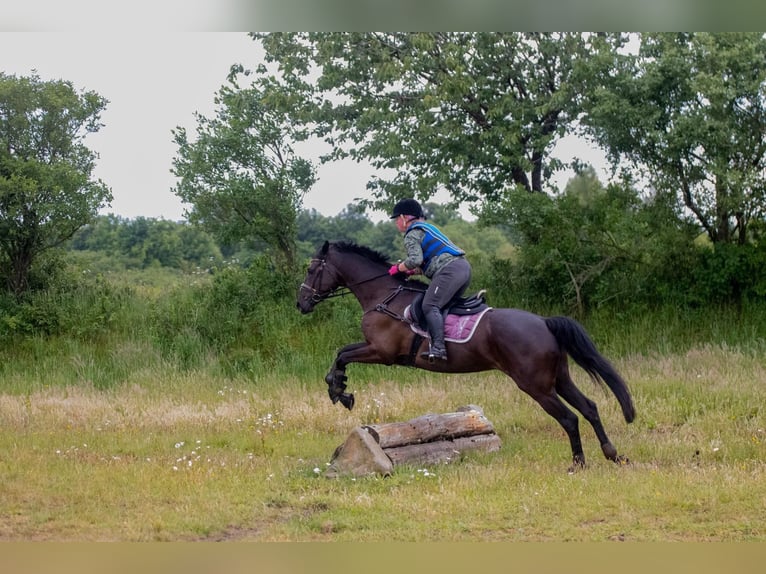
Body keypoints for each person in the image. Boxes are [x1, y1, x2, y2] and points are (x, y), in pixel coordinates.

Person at [388, 198, 472, 362]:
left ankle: (439, 348)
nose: (396, 223)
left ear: (405, 217)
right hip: (463, 268)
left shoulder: (412, 233)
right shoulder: (427, 228)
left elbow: (415, 259)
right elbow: (428, 262)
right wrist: (412, 271)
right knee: (442, 306)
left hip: (450, 271)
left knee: (430, 305)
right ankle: (454, 343)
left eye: (397, 218)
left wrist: (398, 268)